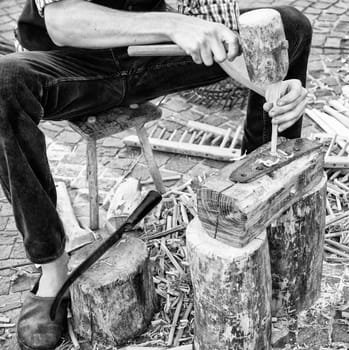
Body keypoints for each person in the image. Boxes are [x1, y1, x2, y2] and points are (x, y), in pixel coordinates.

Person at [0, 0, 311, 348]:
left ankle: (255, 204)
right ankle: (52, 270)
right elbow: (63, 22)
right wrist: (173, 24)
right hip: (70, 64)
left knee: (291, 25)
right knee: (5, 80)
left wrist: (270, 87)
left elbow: (219, 35)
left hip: (147, 59)